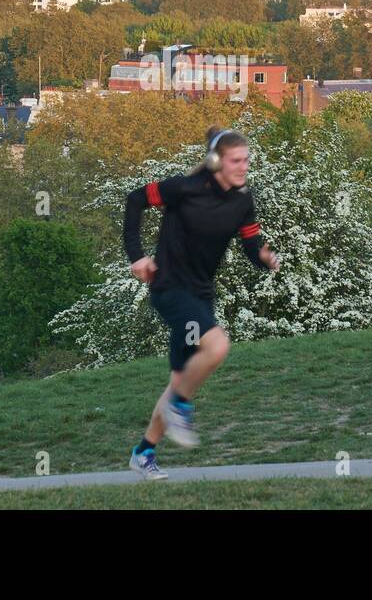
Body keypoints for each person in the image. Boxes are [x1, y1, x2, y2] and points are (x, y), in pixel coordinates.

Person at [123, 126, 280, 480]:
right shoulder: (183, 189)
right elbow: (135, 200)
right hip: (169, 288)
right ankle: (181, 406)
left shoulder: (243, 201)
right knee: (218, 345)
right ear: (215, 162)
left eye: (246, 161)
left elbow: (250, 246)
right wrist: (137, 256)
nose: (243, 167)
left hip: (200, 294)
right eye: (236, 161)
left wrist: (265, 258)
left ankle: (144, 451)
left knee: (179, 378)